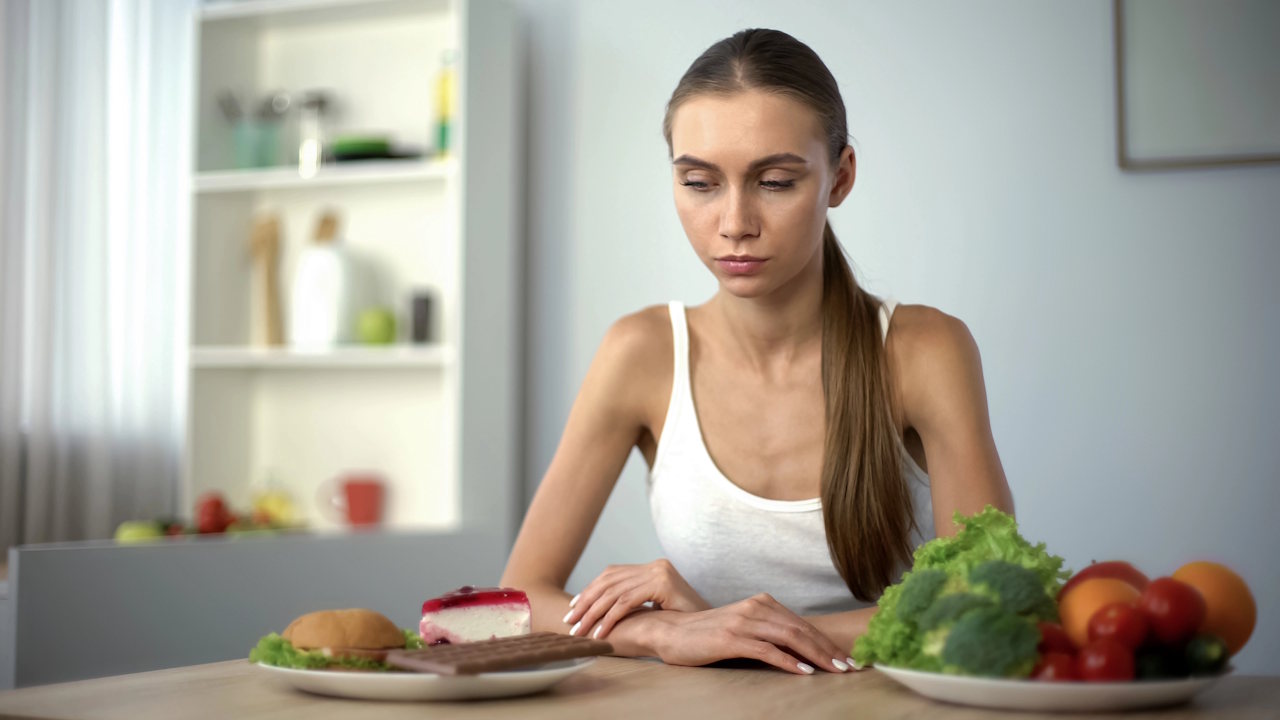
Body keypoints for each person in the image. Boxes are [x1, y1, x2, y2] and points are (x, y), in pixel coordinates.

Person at [501, 28, 1013, 675]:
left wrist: (742, 628)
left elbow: (986, 593)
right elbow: (522, 596)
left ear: (840, 177)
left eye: (773, 181)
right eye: (700, 183)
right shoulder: (642, 352)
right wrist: (663, 634)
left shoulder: (925, 349)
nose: (735, 221)